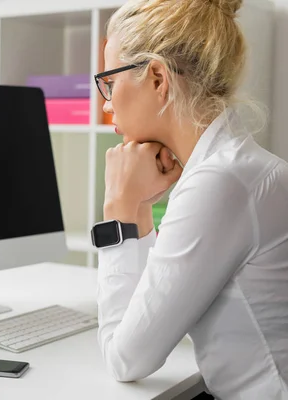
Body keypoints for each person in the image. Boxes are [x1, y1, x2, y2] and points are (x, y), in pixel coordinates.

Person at [90, 0, 288, 398]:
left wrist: (120, 207)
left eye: (110, 83)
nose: (107, 104)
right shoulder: (238, 168)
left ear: (158, 78)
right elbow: (155, 309)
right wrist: (139, 207)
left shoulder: (220, 183)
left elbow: (126, 359)